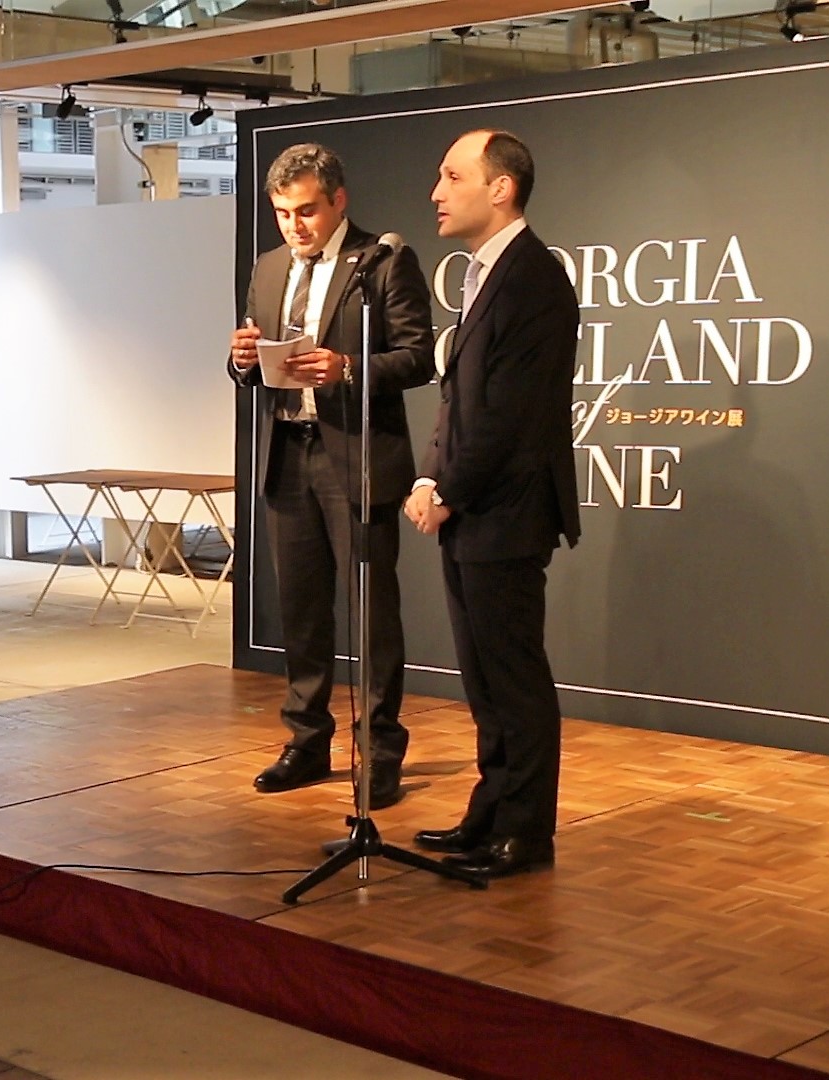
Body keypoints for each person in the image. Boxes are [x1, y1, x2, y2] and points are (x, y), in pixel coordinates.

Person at [227, 143, 436, 803]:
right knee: (302, 610)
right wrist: (240, 360)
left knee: (371, 613)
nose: (295, 225)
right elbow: (248, 358)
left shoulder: (382, 260)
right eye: (283, 213)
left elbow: (420, 357)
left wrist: (347, 368)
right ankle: (307, 742)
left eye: (307, 211)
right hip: (286, 451)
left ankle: (378, 752)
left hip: (358, 455)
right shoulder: (267, 268)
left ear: (339, 201)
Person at [405, 130, 581, 879]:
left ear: (501, 188)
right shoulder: (485, 273)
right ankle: (491, 812)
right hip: (473, 510)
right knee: (482, 680)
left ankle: (526, 833)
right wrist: (428, 478)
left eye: (453, 177)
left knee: (513, 678)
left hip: (506, 513)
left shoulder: (533, 278)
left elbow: (510, 417)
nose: (437, 193)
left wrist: (448, 491)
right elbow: (460, 399)